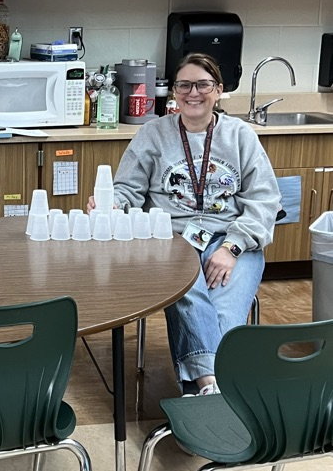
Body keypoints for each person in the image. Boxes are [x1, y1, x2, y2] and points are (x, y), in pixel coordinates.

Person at [88, 53, 280, 397]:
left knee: (226, 306)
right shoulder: (153, 134)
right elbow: (128, 189)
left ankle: (201, 385)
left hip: (232, 241)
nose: (194, 92)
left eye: (203, 84)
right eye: (184, 85)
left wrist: (231, 247)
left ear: (218, 91)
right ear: (174, 92)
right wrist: (113, 203)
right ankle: (214, 385)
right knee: (188, 293)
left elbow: (265, 201)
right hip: (170, 241)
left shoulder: (240, 136)